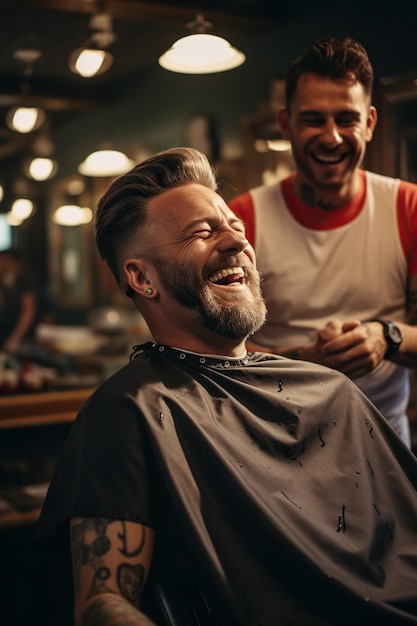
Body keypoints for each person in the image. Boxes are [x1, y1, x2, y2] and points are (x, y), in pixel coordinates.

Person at [37, 147, 417, 626]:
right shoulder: (130, 412)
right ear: (142, 277)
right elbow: (103, 603)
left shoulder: (328, 388)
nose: (236, 242)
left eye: (234, 226)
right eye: (202, 232)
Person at [228, 36, 417, 449]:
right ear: (286, 123)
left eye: (345, 119)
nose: (331, 137)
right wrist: (307, 359)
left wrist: (386, 338)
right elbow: (213, 350)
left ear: (369, 122)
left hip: (385, 452)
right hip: (276, 450)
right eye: (313, 119)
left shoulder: (408, 207)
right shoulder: (242, 220)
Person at [0, 248, 37, 353]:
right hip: (6, 335)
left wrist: (16, 338)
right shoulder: (6, 278)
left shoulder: (24, 278)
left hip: (24, 338)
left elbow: (29, 310)